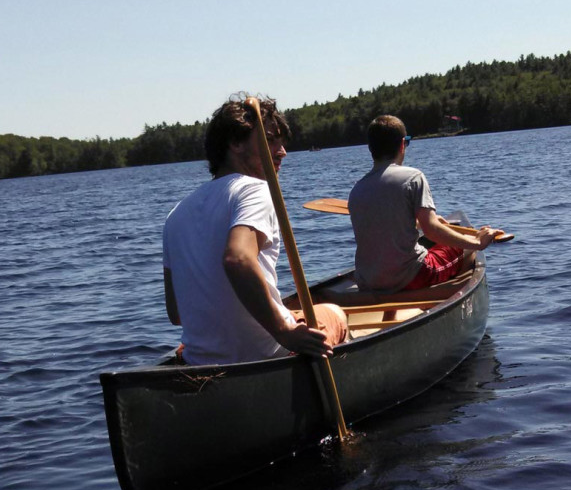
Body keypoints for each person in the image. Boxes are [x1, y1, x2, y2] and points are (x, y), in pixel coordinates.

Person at [163, 94, 348, 366]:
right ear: (236, 143)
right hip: (267, 354)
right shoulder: (256, 189)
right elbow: (237, 259)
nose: (283, 151)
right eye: (271, 140)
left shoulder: (175, 215)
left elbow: (176, 313)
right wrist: (285, 332)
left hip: (199, 362)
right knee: (335, 313)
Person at [348, 115, 503, 293]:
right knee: (466, 250)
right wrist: (477, 242)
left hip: (367, 281)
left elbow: (385, 225)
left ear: (370, 149)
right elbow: (431, 230)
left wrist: (423, 221)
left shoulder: (357, 190)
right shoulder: (413, 177)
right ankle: (442, 294)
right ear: (402, 144)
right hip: (411, 277)